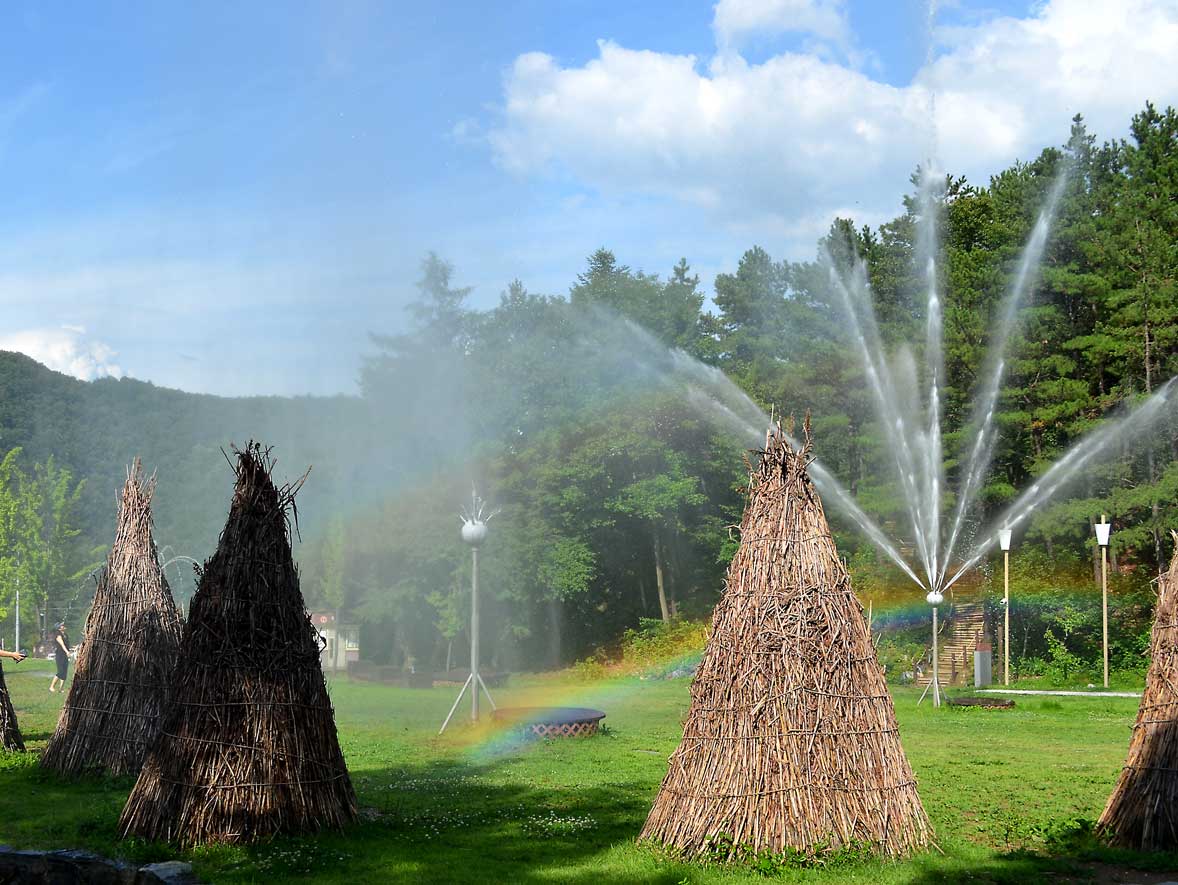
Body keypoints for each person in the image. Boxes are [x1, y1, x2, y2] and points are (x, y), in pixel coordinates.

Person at [49, 624, 71, 693]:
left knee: (64, 672)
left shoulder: (66, 635)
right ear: (59, 628)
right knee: (60, 672)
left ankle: (61, 689)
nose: (63, 626)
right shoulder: (58, 635)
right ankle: (51, 687)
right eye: (62, 625)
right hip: (60, 655)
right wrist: (67, 652)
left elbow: (67, 645)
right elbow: (62, 644)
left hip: (65, 655)